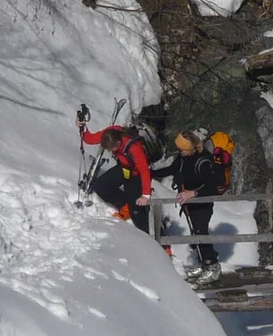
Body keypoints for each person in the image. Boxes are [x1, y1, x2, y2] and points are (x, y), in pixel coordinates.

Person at [159, 128, 231, 283]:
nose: (179, 151)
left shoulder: (203, 161)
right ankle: (203, 263)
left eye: (181, 149)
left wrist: (193, 194)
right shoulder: (184, 158)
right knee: (195, 233)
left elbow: (212, 187)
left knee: (200, 233)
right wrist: (150, 173)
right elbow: (172, 169)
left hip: (202, 204)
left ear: (189, 147)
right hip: (189, 204)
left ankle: (213, 266)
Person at [78, 116, 154, 234]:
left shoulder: (134, 148)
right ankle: (125, 206)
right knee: (100, 185)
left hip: (137, 175)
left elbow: (144, 170)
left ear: (119, 143)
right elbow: (91, 139)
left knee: (137, 212)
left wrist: (145, 195)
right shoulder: (109, 134)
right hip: (124, 169)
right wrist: (82, 127)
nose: (110, 151)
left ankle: (154, 241)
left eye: (111, 148)